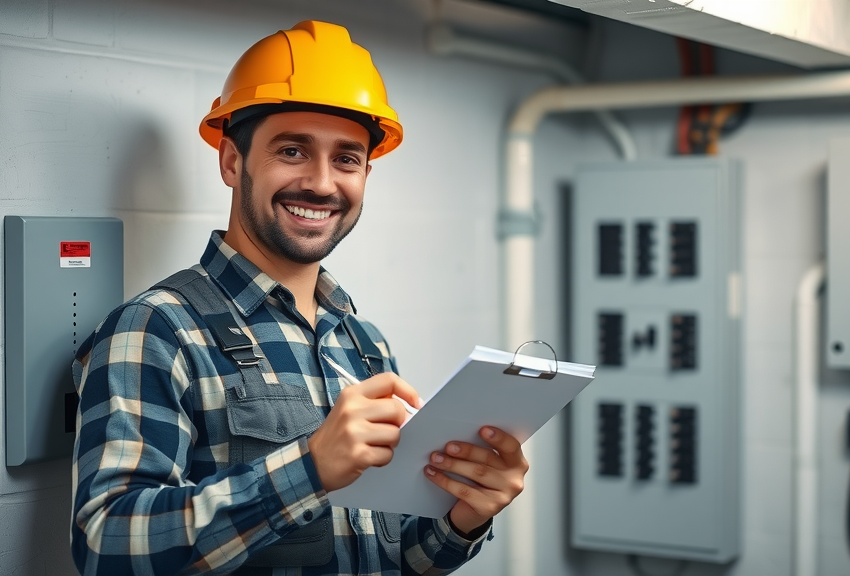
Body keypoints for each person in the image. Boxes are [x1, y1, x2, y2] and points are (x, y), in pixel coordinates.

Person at [70, 20, 529, 576]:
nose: (321, 183)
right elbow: (105, 546)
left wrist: (462, 518)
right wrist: (309, 470)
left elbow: (390, 558)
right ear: (232, 162)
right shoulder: (156, 330)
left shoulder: (364, 345)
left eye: (347, 158)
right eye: (292, 150)